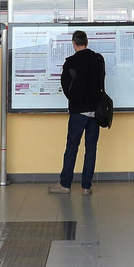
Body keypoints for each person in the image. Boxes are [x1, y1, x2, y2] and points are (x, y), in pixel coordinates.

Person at [49, 29, 105, 195]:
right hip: (95, 112)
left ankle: (65, 184)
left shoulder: (70, 62)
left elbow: (66, 86)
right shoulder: (98, 59)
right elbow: (101, 81)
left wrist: (75, 100)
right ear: (86, 42)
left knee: (72, 147)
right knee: (91, 148)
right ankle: (86, 187)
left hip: (78, 111)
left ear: (74, 43)